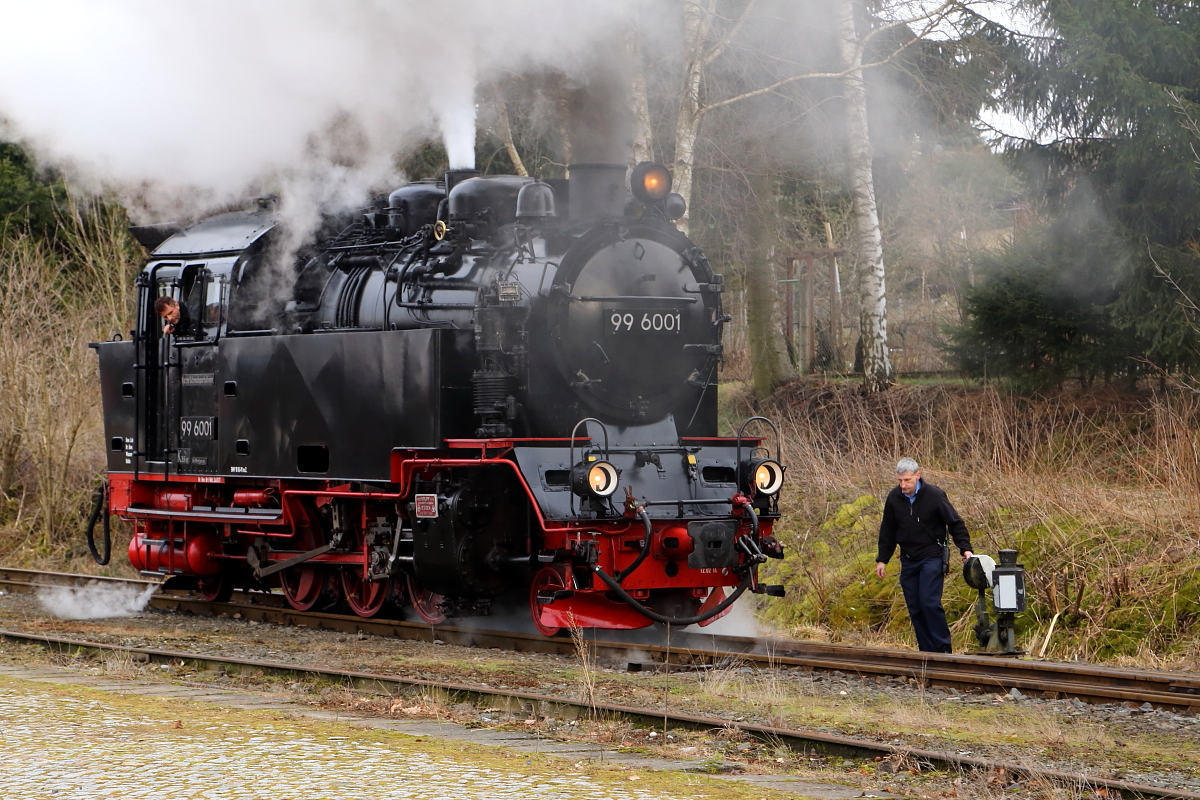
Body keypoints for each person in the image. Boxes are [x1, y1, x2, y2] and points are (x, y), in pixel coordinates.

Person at [875, 458, 973, 653]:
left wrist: (965, 549)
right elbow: (888, 530)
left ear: (917, 476)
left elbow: (955, 523)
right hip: (909, 559)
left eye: (907, 480)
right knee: (915, 606)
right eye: (900, 480)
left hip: (932, 556)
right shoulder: (894, 498)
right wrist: (882, 559)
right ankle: (926, 651)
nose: (903, 485)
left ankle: (942, 650)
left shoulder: (934, 496)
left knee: (928, 601)